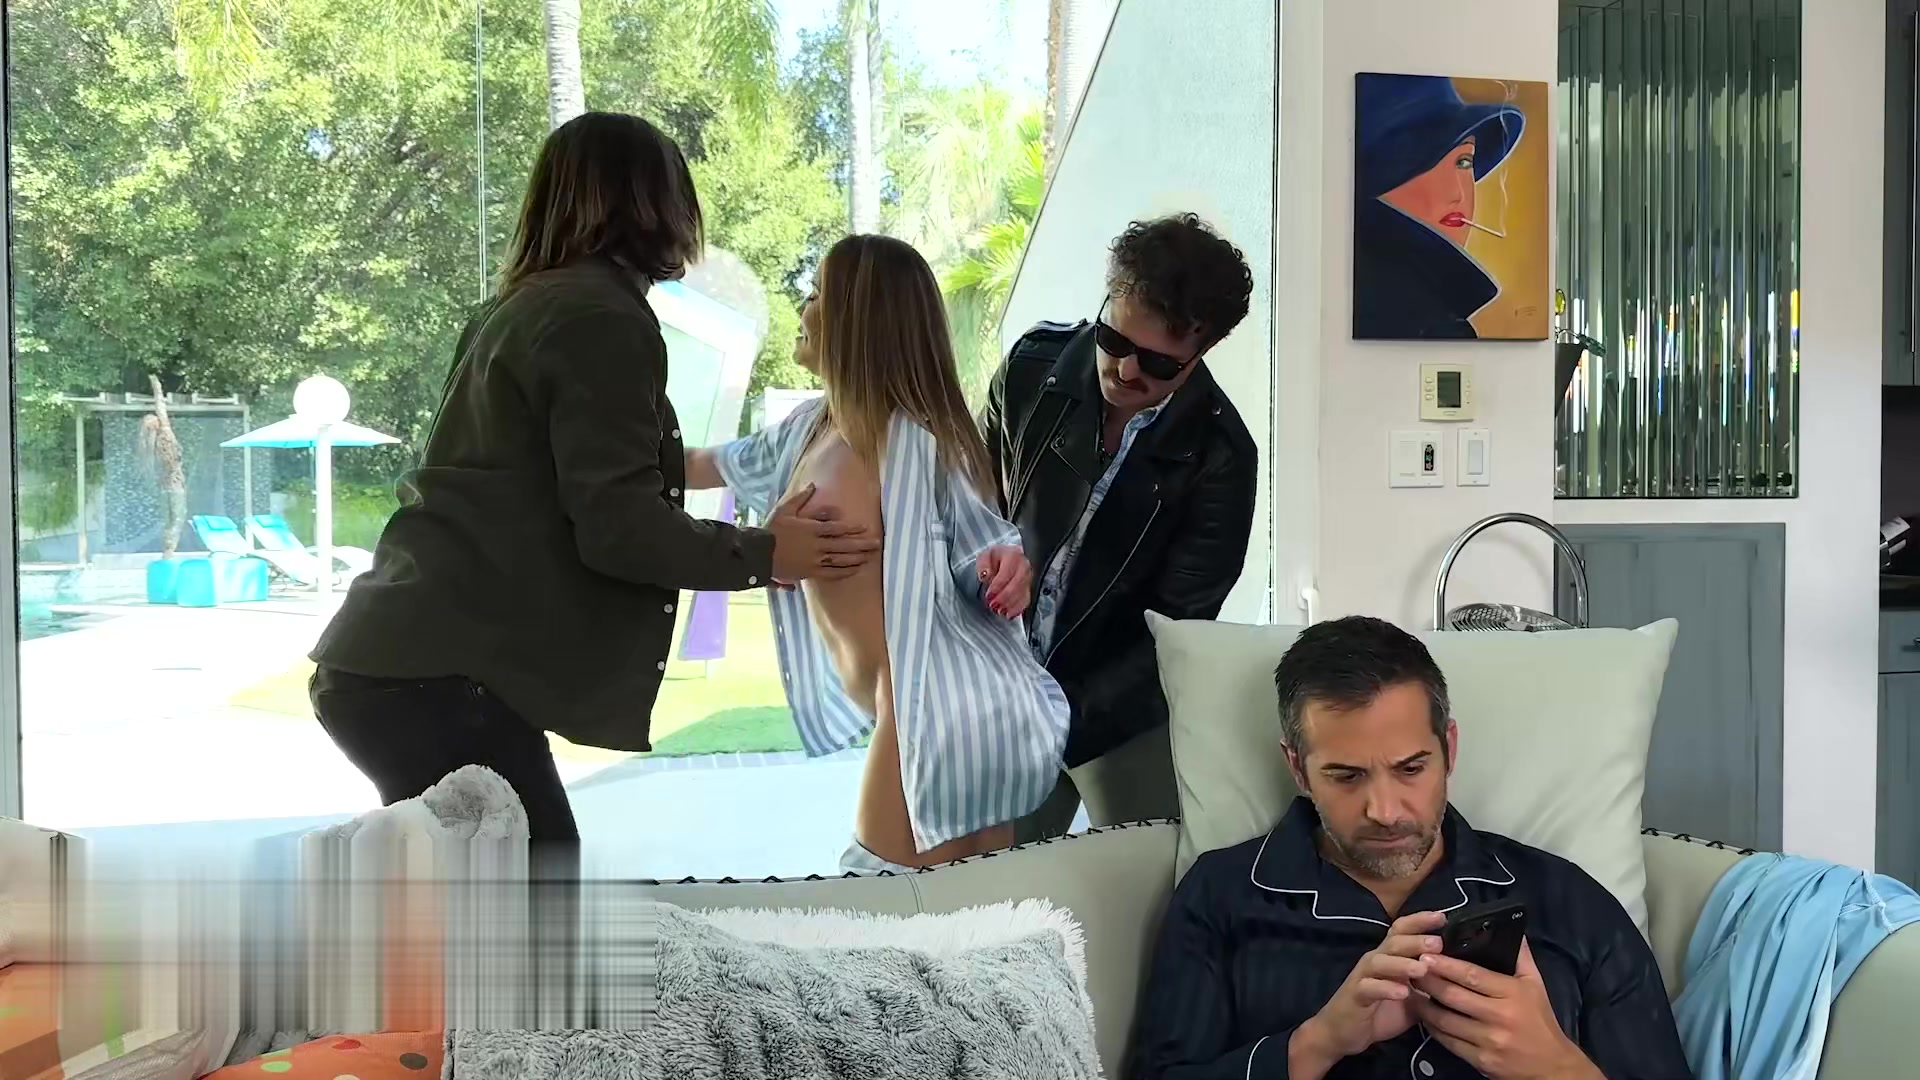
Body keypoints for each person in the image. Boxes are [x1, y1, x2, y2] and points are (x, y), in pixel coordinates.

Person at [307, 113, 879, 848]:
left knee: (483, 888)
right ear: (650, 203)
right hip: (438, 676)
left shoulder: (518, 308)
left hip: (395, 660)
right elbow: (618, 526)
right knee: (535, 887)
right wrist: (766, 554)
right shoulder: (599, 317)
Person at [1130, 616, 1689, 1080]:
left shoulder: (1567, 901)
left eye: (1411, 769)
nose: (1385, 810)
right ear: (1298, 769)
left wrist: (1555, 1067)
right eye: (1346, 776)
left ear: (1448, 749)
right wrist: (1317, 1043)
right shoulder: (1221, 897)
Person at [686, 233, 1069, 873]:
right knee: (962, 911)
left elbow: (982, 537)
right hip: (923, 709)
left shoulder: (917, 442)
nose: (802, 308)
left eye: (815, 295)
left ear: (856, 320)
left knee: (887, 905)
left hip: (938, 707)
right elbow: (701, 464)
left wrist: (1005, 565)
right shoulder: (809, 428)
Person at [983, 213, 1257, 842]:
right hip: (1003, 692)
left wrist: (1058, 719)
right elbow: (973, 503)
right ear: (1105, 302)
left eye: (1160, 363)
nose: (1128, 370)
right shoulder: (1032, 368)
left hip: (1124, 717)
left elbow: (1174, 630)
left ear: (1202, 352)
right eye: (1114, 338)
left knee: (1143, 881)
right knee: (993, 882)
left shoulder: (1220, 454)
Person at [1353, 73, 1524, 340]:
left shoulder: (1434, 308)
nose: (1458, 194)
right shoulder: (1425, 321)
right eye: (1428, 160)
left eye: (1464, 162)